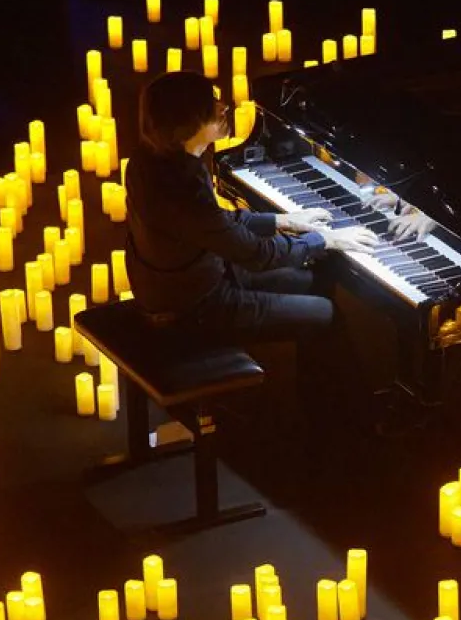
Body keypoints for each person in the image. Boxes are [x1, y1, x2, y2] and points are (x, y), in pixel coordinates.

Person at [123, 71, 379, 426]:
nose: (222, 109)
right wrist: (326, 239)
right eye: (212, 107)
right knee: (326, 313)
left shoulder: (152, 162)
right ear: (189, 123)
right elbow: (255, 255)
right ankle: (351, 421)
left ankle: (320, 398)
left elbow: (216, 226)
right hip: (195, 309)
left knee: (312, 276)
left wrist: (282, 220)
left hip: (192, 280)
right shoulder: (181, 188)